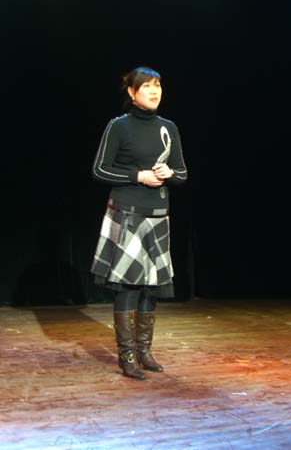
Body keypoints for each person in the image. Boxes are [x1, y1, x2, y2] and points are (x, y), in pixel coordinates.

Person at [91, 65, 188, 380]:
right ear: (132, 93)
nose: (154, 91)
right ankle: (128, 356)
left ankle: (145, 352)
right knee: (129, 285)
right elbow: (100, 169)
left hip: (158, 214)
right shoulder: (119, 126)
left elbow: (182, 173)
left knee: (151, 286)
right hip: (128, 211)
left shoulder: (168, 128)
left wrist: (169, 173)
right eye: (146, 86)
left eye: (157, 85)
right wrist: (138, 176)